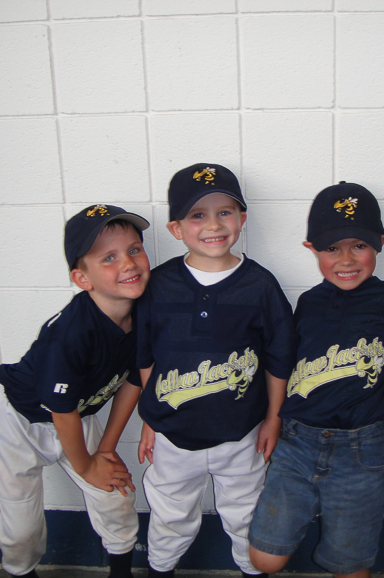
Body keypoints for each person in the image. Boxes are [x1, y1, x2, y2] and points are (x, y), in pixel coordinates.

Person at [248, 182, 384, 578]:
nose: (346, 259)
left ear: (381, 243)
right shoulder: (307, 303)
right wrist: (274, 418)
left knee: (350, 567)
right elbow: (286, 369)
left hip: (362, 451)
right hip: (297, 444)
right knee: (264, 558)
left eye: (359, 246)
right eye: (332, 248)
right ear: (312, 248)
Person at [135, 163, 296, 578]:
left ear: (242, 218)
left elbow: (279, 360)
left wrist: (273, 420)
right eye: (197, 215)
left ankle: (251, 571)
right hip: (173, 435)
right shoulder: (158, 284)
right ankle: (160, 569)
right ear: (175, 228)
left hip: (241, 432)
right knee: (171, 515)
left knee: (246, 516)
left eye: (224, 212)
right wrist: (152, 417)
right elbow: (146, 359)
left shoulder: (260, 284)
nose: (213, 225)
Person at [0, 204, 150, 578]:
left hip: (79, 414)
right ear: (82, 278)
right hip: (22, 419)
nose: (127, 263)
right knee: (21, 522)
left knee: (115, 494)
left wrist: (106, 450)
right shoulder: (71, 333)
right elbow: (60, 410)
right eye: (108, 257)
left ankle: (121, 572)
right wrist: (85, 465)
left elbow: (133, 382)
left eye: (134, 249)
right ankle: (21, 571)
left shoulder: (146, 313)